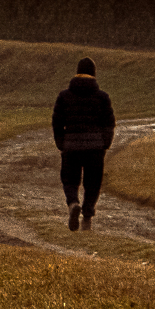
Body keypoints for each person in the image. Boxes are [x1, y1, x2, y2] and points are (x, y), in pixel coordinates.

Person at [51, 56, 115, 231]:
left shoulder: (64, 96)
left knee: (70, 180)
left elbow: (57, 121)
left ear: (77, 73)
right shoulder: (102, 97)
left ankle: (73, 204)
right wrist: (105, 143)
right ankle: (87, 217)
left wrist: (61, 142)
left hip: (71, 146)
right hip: (95, 147)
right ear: (94, 74)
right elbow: (109, 123)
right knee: (92, 182)